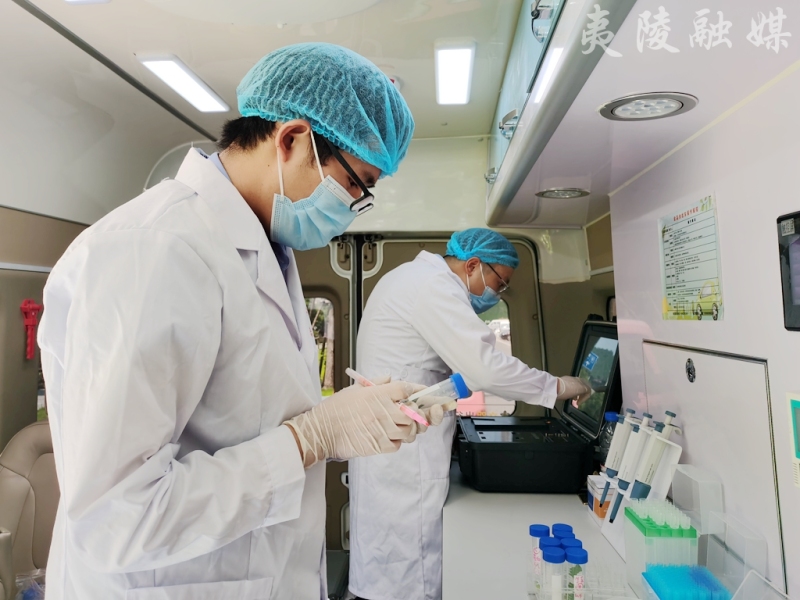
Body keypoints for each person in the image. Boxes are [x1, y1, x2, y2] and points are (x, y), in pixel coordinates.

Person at [37, 43, 439, 600]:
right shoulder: (154, 249)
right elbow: (116, 519)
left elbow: (239, 415)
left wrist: (340, 421)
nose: (353, 206)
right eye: (355, 183)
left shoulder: (265, 249)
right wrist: (310, 439)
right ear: (292, 139)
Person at [348, 228, 592, 600]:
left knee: (394, 569)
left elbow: (448, 371)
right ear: (473, 265)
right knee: (406, 576)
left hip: (394, 443)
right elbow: (487, 370)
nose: (499, 293)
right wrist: (558, 386)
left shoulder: (412, 277)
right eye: (500, 283)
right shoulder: (434, 287)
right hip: (404, 459)